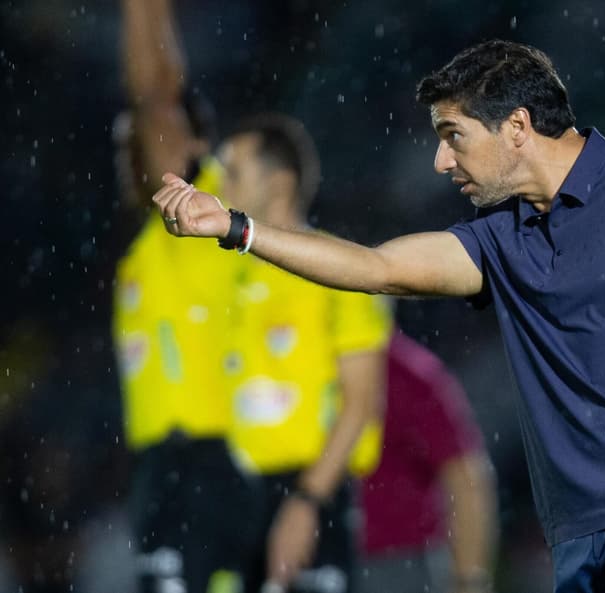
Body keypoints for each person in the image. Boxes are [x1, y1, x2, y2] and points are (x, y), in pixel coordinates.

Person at [153, 40, 605, 593]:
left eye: (452, 135)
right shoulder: (500, 239)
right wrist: (237, 228)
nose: (440, 161)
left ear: (517, 126)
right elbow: (376, 268)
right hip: (577, 531)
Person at [113, 1, 255, 591]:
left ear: (198, 142)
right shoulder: (149, 245)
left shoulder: (208, 210)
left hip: (212, 455)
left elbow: (155, 94)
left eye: (166, 130)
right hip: (161, 464)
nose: (148, 138)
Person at [217, 114, 391, 593]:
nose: (220, 184)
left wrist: (307, 501)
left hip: (313, 490)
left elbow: (362, 401)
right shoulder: (226, 276)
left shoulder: (339, 269)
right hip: (236, 497)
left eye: (233, 172)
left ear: (279, 184)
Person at [357, 333, 497, 593]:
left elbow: (466, 479)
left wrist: (469, 580)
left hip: (397, 565)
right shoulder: (405, 370)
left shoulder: (408, 374)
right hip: (343, 556)